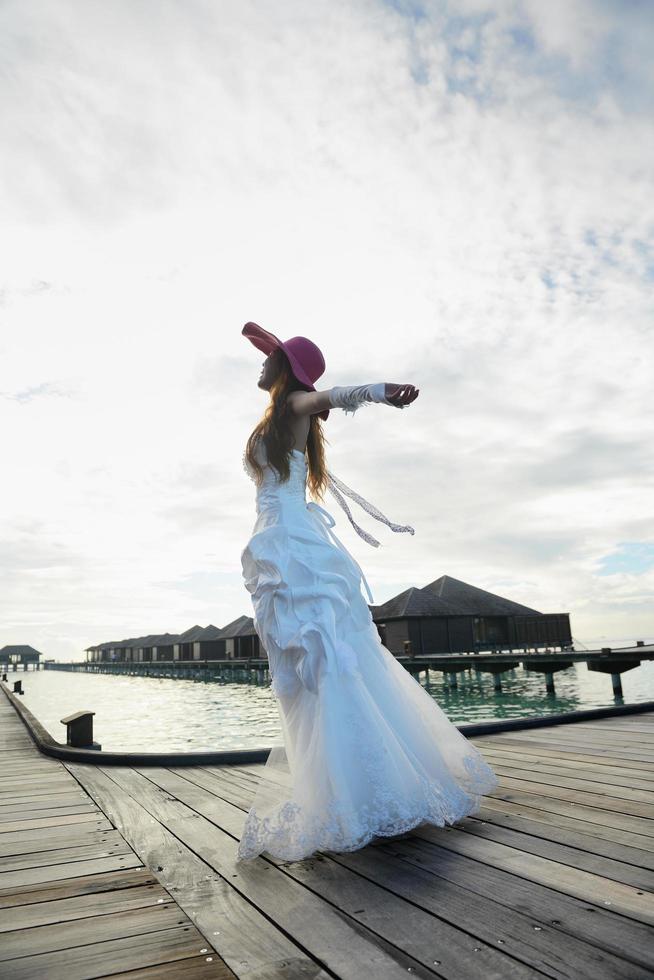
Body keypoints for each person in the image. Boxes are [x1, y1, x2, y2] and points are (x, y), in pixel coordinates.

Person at [237, 321, 499, 862]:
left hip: (291, 548)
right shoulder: (281, 415)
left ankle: (362, 794)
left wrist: (383, 392)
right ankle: (342, 790)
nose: (261, 364)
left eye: (271, 358)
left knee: (323, 661)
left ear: (285, 370)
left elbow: (336, 395)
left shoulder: (294, 406)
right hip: (278, 545)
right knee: (305, 669)